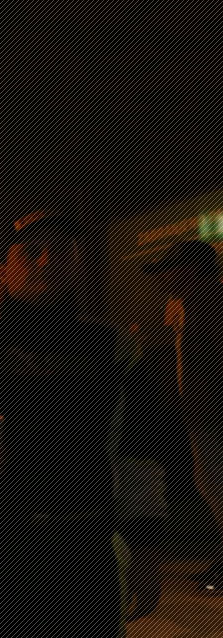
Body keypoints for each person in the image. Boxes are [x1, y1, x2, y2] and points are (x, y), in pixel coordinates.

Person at [0, 209, 134, 638]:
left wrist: (145, 547)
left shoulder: (113, 346)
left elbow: (141, 449)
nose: (46, 261)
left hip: (84, 546)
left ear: (79, 263)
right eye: (31, 252)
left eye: (61, 251)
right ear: (1, 269)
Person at [145, 239, 223, 592]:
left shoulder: (210, 303)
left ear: (189, 271)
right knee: (211, 483)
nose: (161, 278)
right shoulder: (191, 303)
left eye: (167, 270)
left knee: (215, 483)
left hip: (211, 412)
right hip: (202, 411)